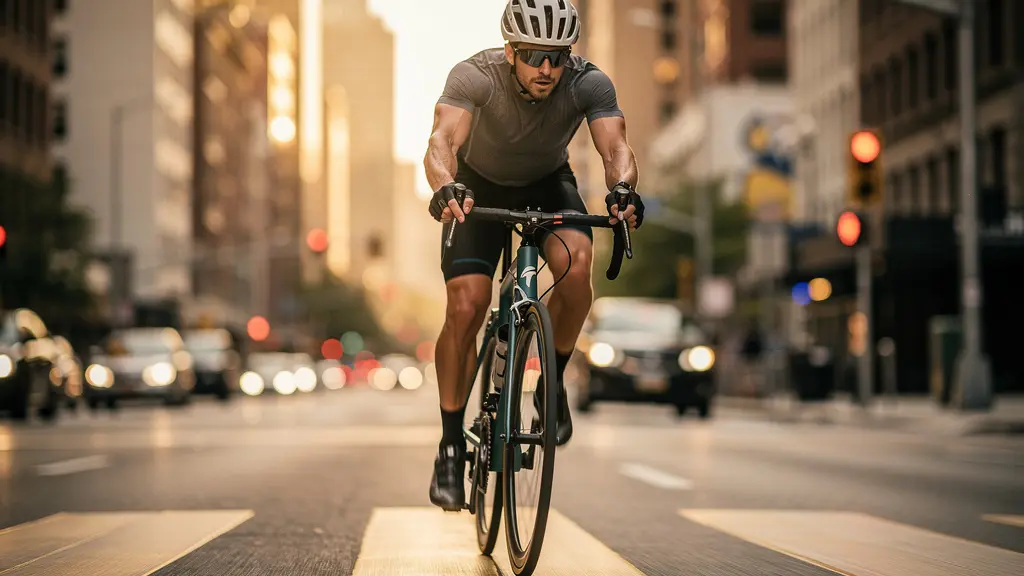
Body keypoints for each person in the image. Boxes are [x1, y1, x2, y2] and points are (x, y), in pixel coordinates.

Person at [423, 0, 646, 511]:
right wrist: (445, 185)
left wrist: (624, 190)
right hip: (475, 185)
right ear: (510, 52)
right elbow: (441, 140)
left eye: (556, 56)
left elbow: (616, 150)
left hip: (548, 183)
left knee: (578, 263)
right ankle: (451, 446)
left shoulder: (588, 82)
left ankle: (551, 384)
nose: (546, 68)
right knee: (466, 305)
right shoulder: (474, 75)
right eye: (532, 56)